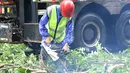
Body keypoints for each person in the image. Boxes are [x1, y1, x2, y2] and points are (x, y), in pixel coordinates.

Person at [39, 0, 75, 72]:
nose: (66, 17)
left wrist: (66, 43)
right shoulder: (51, 10)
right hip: (48, 40)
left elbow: (69, 31)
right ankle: (42, 70)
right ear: (61, 9)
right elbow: (41, 24)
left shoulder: (69, 17)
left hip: (60, 41)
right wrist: (46, 36)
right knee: (43, 58)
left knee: (61, 62)